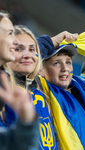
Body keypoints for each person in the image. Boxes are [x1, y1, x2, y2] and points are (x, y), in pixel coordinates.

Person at [0, 11, 39, 150]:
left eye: (32, 49)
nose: (15, 40)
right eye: (10, 33)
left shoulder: (45, 91)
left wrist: (27, 122)